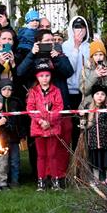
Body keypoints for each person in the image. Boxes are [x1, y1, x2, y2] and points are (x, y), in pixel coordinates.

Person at [26, 60, 66, 191]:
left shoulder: (56, 91)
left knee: (53, 155)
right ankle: (41, 181)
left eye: (47, 76)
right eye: (42, 76)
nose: (44, 78)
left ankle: (55, 180)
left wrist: (49, 121)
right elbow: (30, 108)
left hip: (52, 127)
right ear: (37, 77)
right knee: (41, 155)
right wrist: (40, 121)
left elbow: (59, 107)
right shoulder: (33, 92)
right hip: (38, 128)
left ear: (50, 76)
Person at [84, 84, 107, 184]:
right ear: (93, 96)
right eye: (97, 94)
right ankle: (96, 177)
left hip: (106, 140)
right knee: (95, 160)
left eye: (102, 94)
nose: (100, 96)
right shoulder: (88, 108)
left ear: (105, 96)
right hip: (93, 141)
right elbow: (84, 123)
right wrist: (82, 118)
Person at [62, 16, 91, 110]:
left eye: (82, 27)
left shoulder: (90, 46)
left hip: (86, 91)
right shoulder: (65, 46)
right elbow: (69, 68)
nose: (80, 30)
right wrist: (76, 47)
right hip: (69, 91)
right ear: (72, 29)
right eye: (77, 27)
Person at [79, 39, 107, 110]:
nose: (98, 57)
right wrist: (94, 75)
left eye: (101, 54)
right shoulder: (86, 70)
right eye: (95, 55)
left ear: (104, 56)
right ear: (92, 57)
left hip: (106, 105)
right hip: (89, 105)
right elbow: (84, 91)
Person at [0, 79, 24, 187]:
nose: (7, 91)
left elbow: (21, 120)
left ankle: (15, 180)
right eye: (4, 89)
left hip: (14, 136)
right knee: (3, 161)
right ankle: (4, 180)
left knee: (14, 160)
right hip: (2, 137)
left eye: (9, 89)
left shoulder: (16, 102)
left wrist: (22, 133)